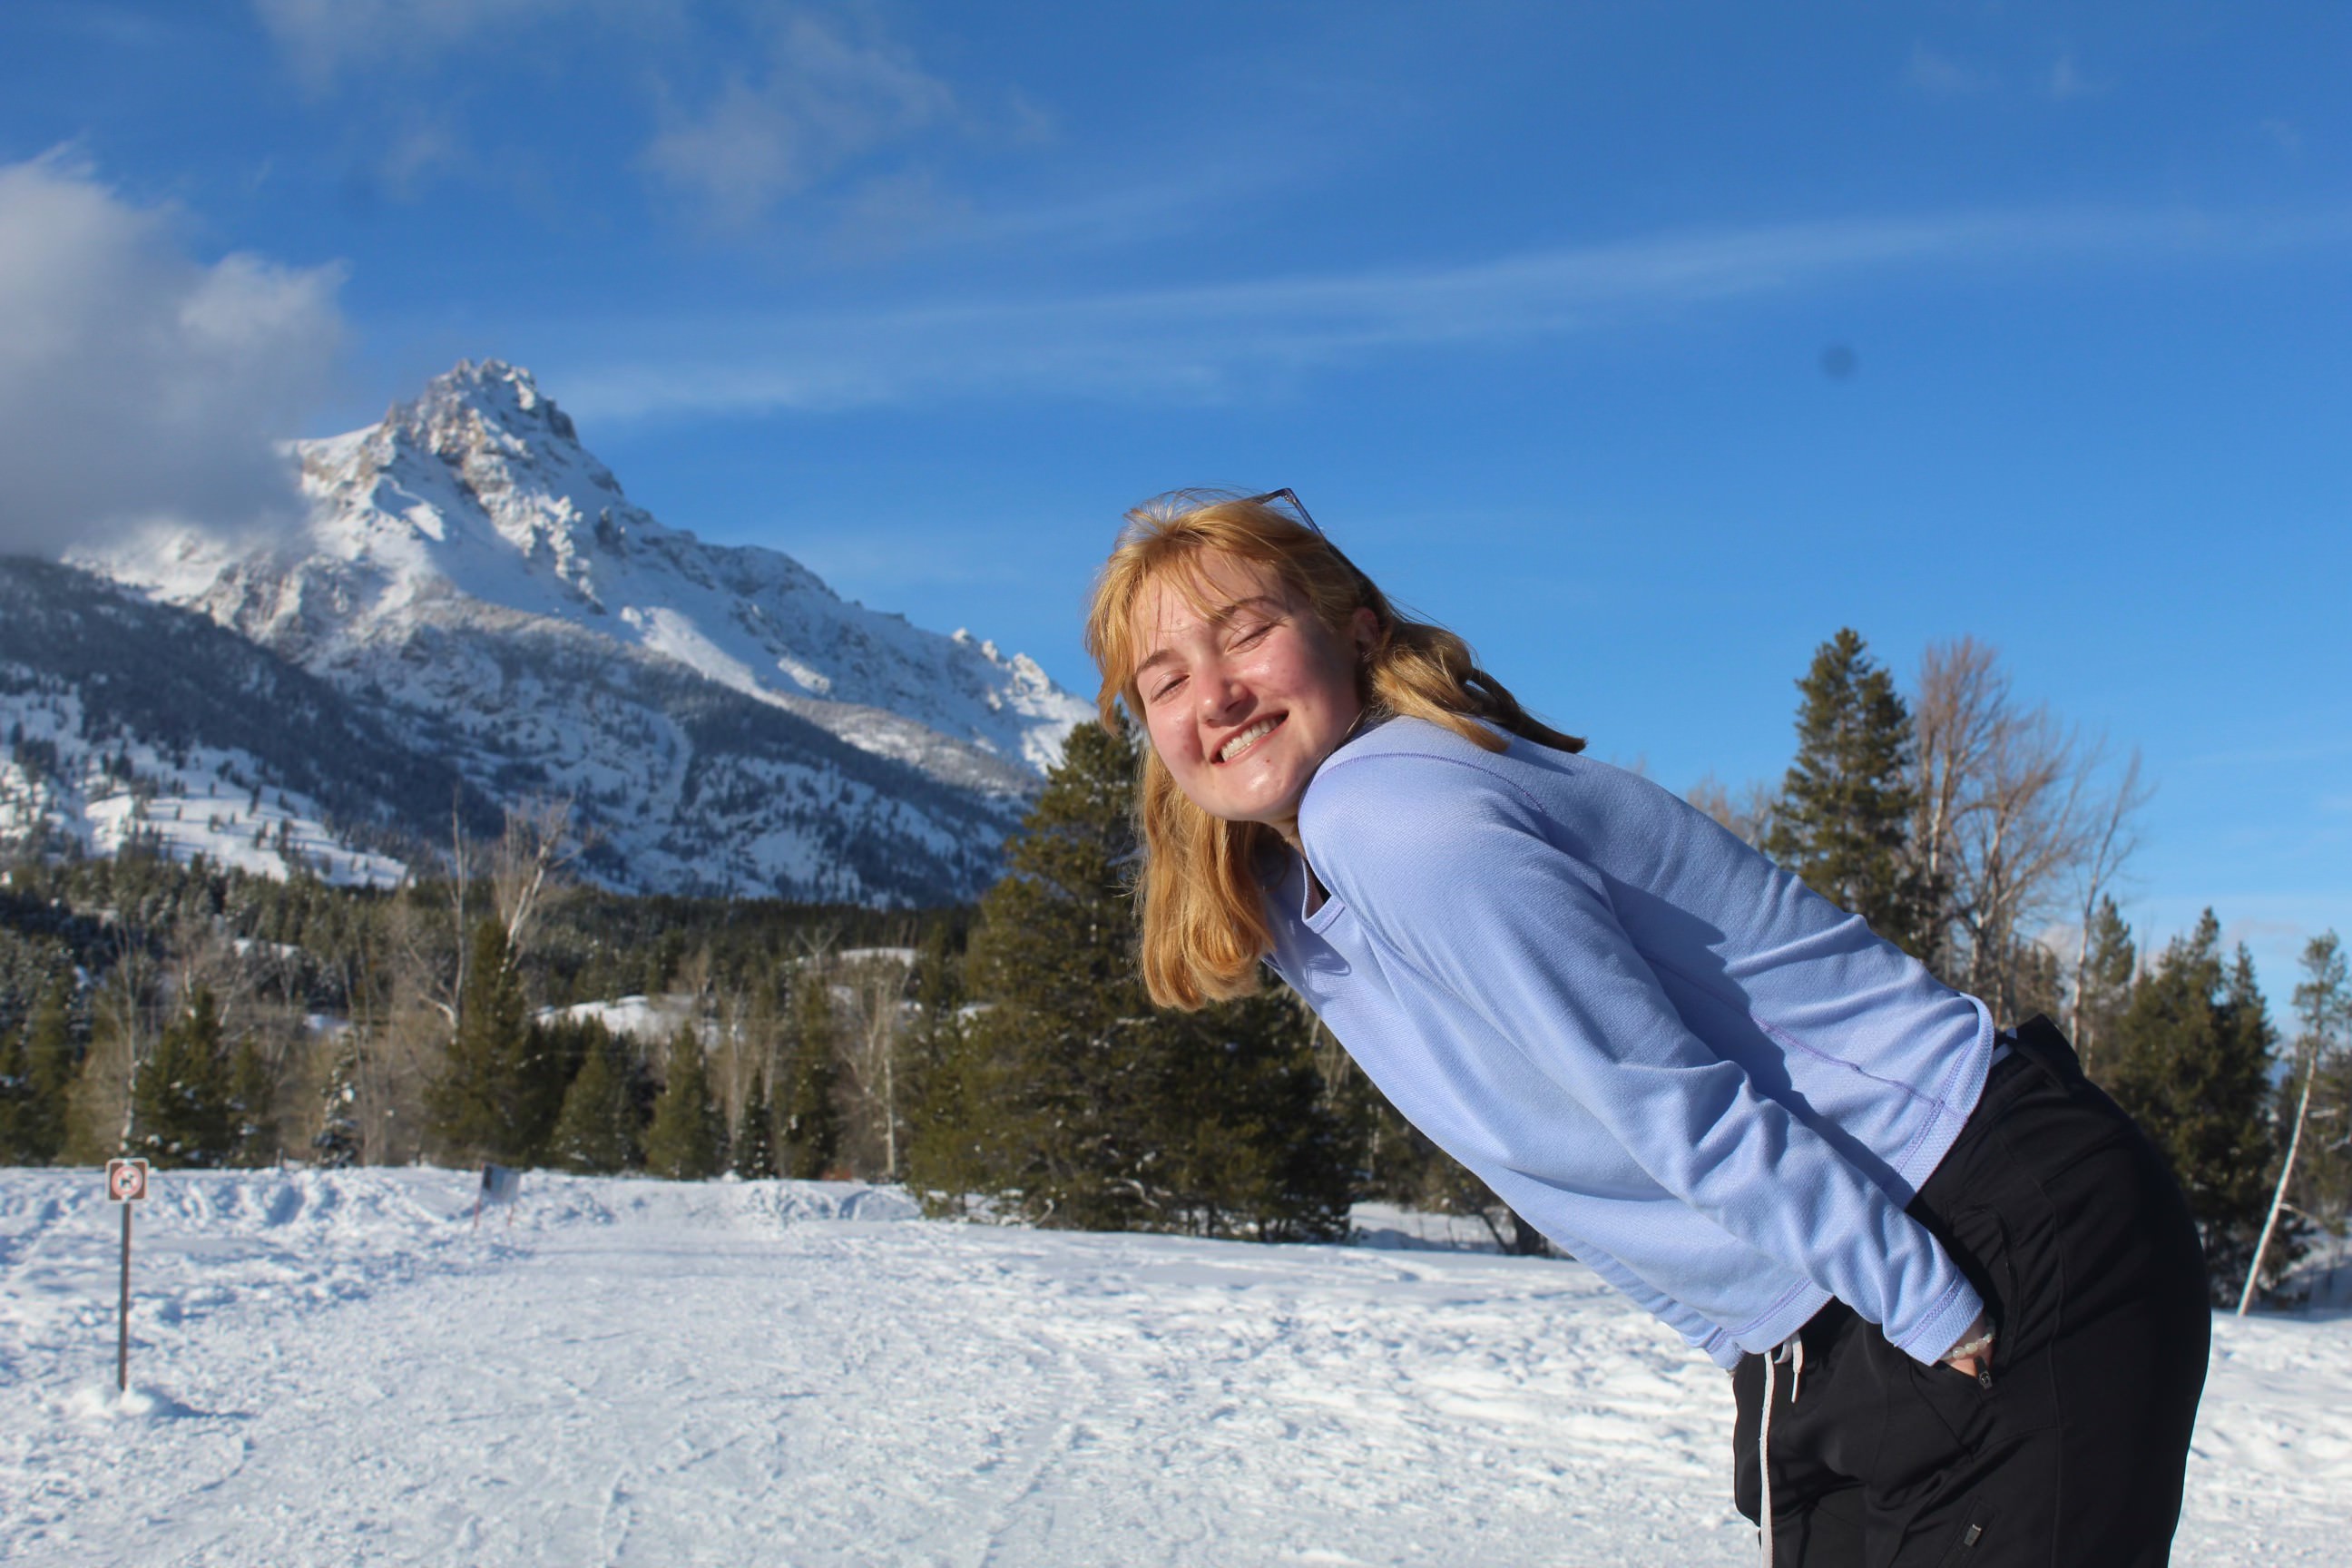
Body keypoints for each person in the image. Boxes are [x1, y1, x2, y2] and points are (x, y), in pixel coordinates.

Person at [1083, 488, 2210, 1567]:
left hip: (1955, 1221)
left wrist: (1923, 1302)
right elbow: (1580, 1170)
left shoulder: (1387, 813)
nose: (1215, 696)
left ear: (1355, 631)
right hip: (1833, 1292)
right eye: (1167, 680)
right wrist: (1753, 1343)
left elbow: (1667, 1097)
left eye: (1247, 635)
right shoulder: (1298, 888)